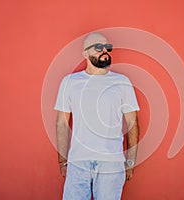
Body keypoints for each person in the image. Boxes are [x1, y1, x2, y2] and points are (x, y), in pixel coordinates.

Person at [54, 32, 140, 200]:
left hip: (111, 164)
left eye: (107, 48)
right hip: (78, 161)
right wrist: (63, 161)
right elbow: (62, 124)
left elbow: (132, 123)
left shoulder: (122, 82)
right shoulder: (70, 82)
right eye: (98, 48)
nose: (104, 51)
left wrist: (130, 161)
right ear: (85, 54)